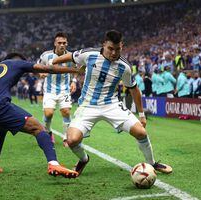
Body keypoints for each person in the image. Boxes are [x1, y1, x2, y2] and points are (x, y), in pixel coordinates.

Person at [50, 30, 172, 176]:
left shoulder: (124, 66)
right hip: (88, 106)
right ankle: (83, 159)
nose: (114, 53)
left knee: (141, 132)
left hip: (112, 105)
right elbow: (65, 58)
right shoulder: (89, 54)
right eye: (110, 49)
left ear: (122, 46)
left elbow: (134, 90)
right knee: (72, 140)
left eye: (118, 49)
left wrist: (142, 115)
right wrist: (56, 63)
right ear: (104, 45)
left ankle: (152, 163)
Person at [0, 52, 79, 178]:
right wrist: (75, 70)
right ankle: (53, 163)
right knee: (38, 128)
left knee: (1, 128)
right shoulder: (16, 62)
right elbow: (49, 68)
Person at [38, 32, 77, 143]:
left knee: (66, 111)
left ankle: (66, 137)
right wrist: (41, 73)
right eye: (59, 43)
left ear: (67, 44)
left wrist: (73, 81)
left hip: (64, 89)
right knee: (48, 113)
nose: (62, 45)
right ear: (55, 43)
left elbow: (76, 69)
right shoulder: (46, 55)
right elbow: (39, 67)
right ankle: (48, 131)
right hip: (50, 90)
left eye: (64, 43)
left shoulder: (71, 56)